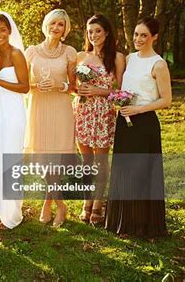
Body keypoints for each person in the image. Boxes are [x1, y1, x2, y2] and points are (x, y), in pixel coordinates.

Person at [105, 17, 171, 238]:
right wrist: (119, 100)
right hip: (124, 121)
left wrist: (138, 110)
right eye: (135, 34)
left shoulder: (158, 64)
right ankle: (123, 222)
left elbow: (166, 100)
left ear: (154, 37)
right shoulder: (130, 59)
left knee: (142, 174)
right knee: (125, 171)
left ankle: (143, 226)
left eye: (144, 35)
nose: (138, 39)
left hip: (145, 123)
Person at [24, 9, 77, 227]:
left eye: (61, 25)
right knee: (46, 161)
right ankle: (59, 205)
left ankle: (52, 205)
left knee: (55, 162)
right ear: (46, 24)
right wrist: (37, 86)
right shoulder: (31, 52)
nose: (56, 28)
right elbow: (22, 85)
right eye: (53, 23)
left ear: (65, 29)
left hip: (61, 108)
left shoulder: (70, 52)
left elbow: (74, 86)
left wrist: (60, 85)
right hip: (39, 107)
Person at [74, 14, 125, 225]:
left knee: (100, 161)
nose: (93, 35)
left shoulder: (117, 58)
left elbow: (120, 91)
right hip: (82, 112)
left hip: (103, 113)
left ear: (106, 33)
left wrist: (98, 90)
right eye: (90, 31)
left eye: (98, 31)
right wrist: (81, 91)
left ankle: (98, 203)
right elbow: (73, 87)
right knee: (86, 161)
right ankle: (87, 201)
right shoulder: (81, 57)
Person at [0, 12, 29, 229]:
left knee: (10, 161)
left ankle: (12, 216)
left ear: (9, 31)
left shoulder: (16, 54)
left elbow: (25, 87)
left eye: (3, 29)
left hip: (12, 112)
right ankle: (1, 207)